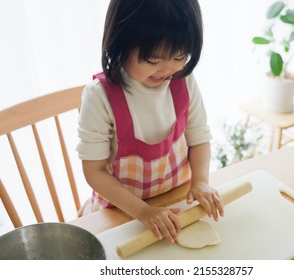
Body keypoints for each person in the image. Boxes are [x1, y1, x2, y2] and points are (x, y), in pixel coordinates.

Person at [76, 0, 223, 244]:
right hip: (122, 213)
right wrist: (144, 212)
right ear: (120, 43)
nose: (166, 70)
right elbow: (94, 172)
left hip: (175, 202)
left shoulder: (184, 81)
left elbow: (199, 139)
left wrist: (200, 181)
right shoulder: (99, 97)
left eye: (179, 56)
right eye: (153, 60)